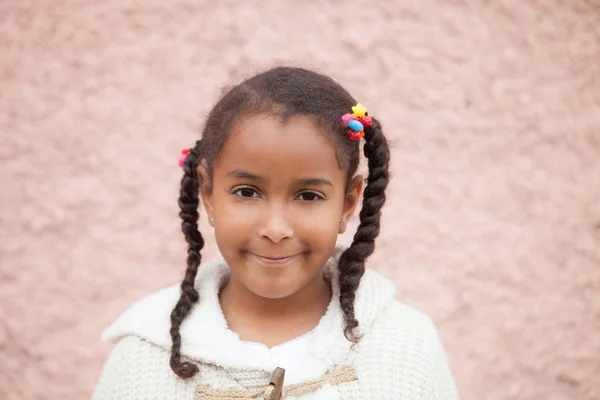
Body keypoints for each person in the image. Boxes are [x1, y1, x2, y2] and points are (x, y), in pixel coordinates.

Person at [92, 67, 459, 399]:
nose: (275, 229)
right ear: (208, 193)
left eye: (308, 196)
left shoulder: (407, 349)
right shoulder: (144, 356)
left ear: (348, 203)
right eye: (247, 192)